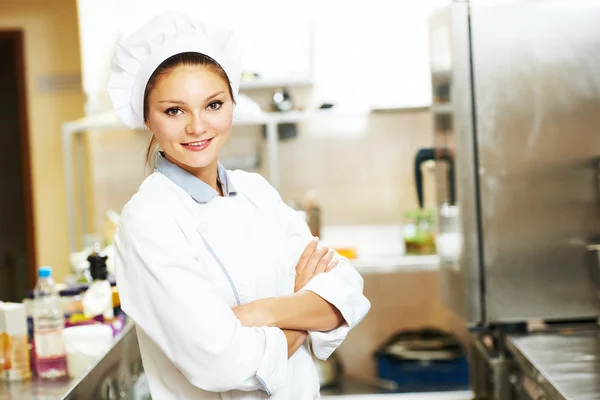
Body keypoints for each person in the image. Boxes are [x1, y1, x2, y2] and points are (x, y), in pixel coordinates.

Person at [108, 11, 370, 400]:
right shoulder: (149, 218)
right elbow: (220, 362)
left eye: (213, 105)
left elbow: (347, 293)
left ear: (233, 103)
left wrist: (258, 313)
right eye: (174, 110)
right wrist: (304, 310)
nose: (197, 127)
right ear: (149, 118)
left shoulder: (256, 191)